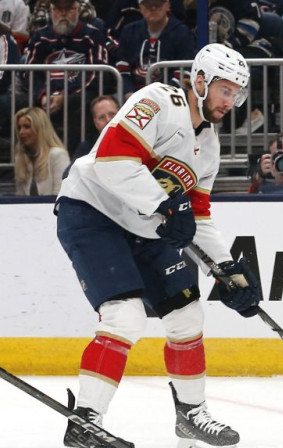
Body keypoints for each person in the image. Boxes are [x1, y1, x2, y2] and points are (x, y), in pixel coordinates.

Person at [56, 44, 261, 448]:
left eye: (236, 93)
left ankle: (191, 415)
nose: (230, 100)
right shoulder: (158, 101)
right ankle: (86, 421)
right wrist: (166, 204)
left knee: (188, 318)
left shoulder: (211, 147)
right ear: (199, 81)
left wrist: (226, 269)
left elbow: (197, 216)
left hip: (144, 226)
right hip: (92, 213)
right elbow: (112, 160)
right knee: (124, 318)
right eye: (224, 89)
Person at [26, 0, 116, 152]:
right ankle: (31, 159)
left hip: (78, 95)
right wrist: (42, 94)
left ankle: (71, 159)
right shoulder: (40, 38)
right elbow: (29, 73)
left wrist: (64, 96)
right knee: (20, 104)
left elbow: (97, 74)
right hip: (47, 95)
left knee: (83, 102)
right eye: (58, 9)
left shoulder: (92, 35)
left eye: (68, 9)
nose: (63, 14)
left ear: (77, 10)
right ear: (51, 10)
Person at [115, 0, 195, 98]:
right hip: (135, 95)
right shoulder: (129, 31)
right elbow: (122, 67)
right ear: (140, 8)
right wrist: (129, 92)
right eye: (148, 5)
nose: (153, 8)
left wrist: (162, 96)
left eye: (158, 4)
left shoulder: (182, 32)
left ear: (167, 5)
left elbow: (184, 71)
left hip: (171, 96)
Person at [13, 107, 70, 195]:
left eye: (27, 127)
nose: (21, 132)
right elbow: (20, 197)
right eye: (19, 127)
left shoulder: (58, 155)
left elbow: (61, 195)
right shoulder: (21, 158)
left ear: (40, 128)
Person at [69, 95, 120, 165]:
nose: (108, 120)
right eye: (102, 117)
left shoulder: (134, 139)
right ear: (96, 123)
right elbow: (69, 173)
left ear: (121, 114)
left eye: (112, 114)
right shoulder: (87, 147)